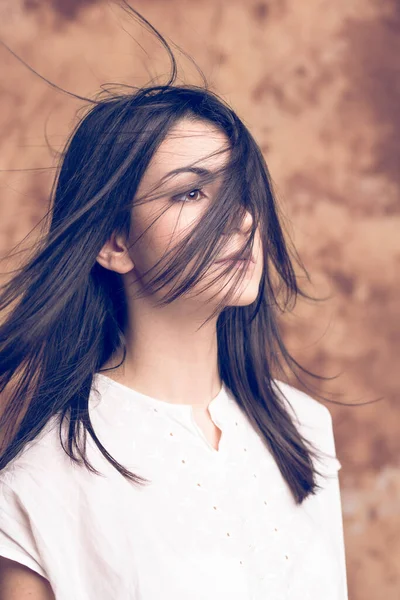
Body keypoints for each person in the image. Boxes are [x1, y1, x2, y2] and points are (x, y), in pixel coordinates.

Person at [0, 5, 347, 600]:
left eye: (240, 191)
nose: (239, 220)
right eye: (190, 192)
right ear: (113, 242)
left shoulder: (305, 430)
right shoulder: (40, 484)